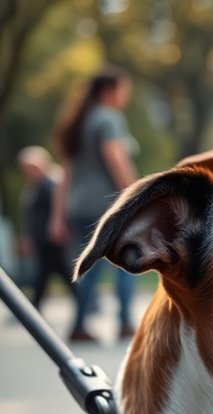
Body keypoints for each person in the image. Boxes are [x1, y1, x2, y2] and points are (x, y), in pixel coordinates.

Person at [50, 66, 139, 342]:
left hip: (77, 206)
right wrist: (138, 195)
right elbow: (115, 158)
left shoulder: (78, 122)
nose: (126, 96)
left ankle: (78, 325)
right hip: (106, 205)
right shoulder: (108, 119)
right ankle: (125, 323)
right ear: (110, 91)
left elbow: (66, 174)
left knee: (87, 267)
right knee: (130, 259)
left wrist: (57, 215)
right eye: (124, 90)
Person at [17, 146, 76, 311]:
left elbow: (61, 210)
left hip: (52, 238)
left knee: (53, 273)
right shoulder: (35, 185)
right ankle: (87, 300)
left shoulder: (52, 183)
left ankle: (33, 307)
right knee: (54, 273)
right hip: (42, 238)